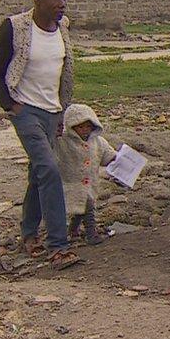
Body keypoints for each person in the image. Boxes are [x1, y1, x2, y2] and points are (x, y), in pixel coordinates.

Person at [0, 0, 80, 270]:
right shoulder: (15, 27)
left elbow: (62, 73)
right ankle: (58, 246)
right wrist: (11, 105)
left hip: (53, 112)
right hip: (26, 111)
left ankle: (28, 234)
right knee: (50, 169)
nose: (61, 4)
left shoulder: (63, 28)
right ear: (37, 0)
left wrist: (62, 113)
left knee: (39, 173)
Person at [55, 103, 118, 246]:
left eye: (88, 127)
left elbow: (107, 155)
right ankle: (91, 234)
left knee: (82, 208)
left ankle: (73, 230)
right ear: (71, 126)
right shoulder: (63, 142)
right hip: (71, 183)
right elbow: (53, 151)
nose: (84, 130)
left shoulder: (97, 142)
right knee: (85, 209)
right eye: (80, 127)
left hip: (89, 183)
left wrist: (117, 159)